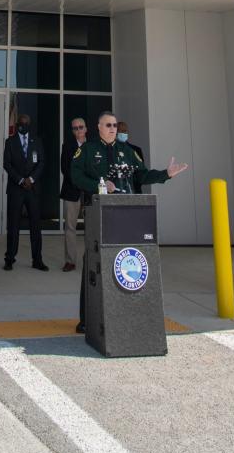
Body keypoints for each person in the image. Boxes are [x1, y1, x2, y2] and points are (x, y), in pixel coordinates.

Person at [71, 111, 188, 333]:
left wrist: (166, 174)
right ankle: (87, 318)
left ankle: (122, 314)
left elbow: (141, 176)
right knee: (93, 263)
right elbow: (75, 176)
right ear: (98, 127)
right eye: (108, 125)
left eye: (115, 125)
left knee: (124, 261)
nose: (113, 128)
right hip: (98, 212)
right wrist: (100, 185)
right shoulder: (87, 150)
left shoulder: (128, 151)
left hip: (125, 214)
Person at [2, 113, 48, 272]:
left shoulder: (37, 141)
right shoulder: (10, 142)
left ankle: (37, 259)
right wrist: (21, 180)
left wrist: (31, 179)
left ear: (30, 124)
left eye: (26, 123)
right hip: (16, 188)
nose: (24, 125)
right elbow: (7, 164)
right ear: (17, 124)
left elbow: (42, 162)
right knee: (13, 225)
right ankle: (9, 258)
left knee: (35, 225)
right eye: (21, 123)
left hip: (33, 189)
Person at [60, 118, 87, 271]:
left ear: (86, 129)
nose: (78, 130)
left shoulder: (93, 145)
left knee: (92, 228)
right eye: (75, 128)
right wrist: (78, 181)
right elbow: (64, 168)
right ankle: (70, 261)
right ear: (72, 130)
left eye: (81, 127)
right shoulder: (67, 146)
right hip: (72, 190)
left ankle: (91, 259)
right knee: (70, 227)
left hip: (90, 192)